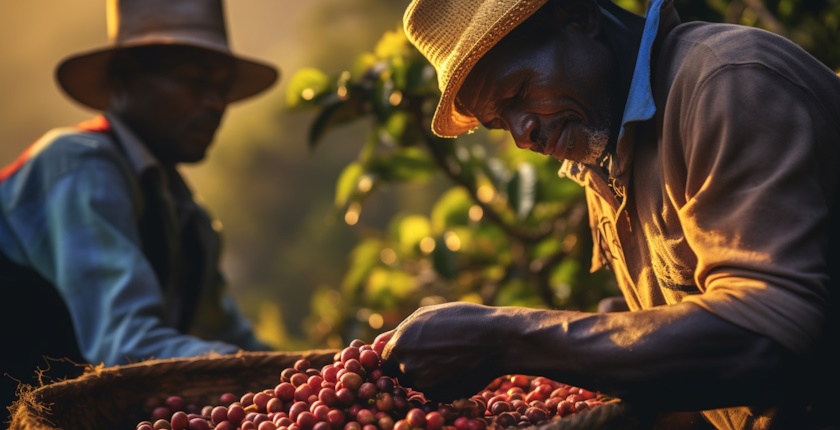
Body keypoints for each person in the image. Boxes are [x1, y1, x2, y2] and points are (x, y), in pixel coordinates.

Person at [380, 0, 840, 428]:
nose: (523, 135)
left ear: (579, 16)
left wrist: (507, 339)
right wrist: (624, 329)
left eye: (518, 92)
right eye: (501, 123)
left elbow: (765, 340)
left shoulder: (727, 84)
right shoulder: (604, 149)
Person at [0, 0, 278, 416]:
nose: (214, 103)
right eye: (193, 82)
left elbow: (233, 337)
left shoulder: (189, 219)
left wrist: (315, 373)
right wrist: (271, 378)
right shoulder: (78, 164)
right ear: (124, 81)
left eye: (221, 88)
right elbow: (127, 343)